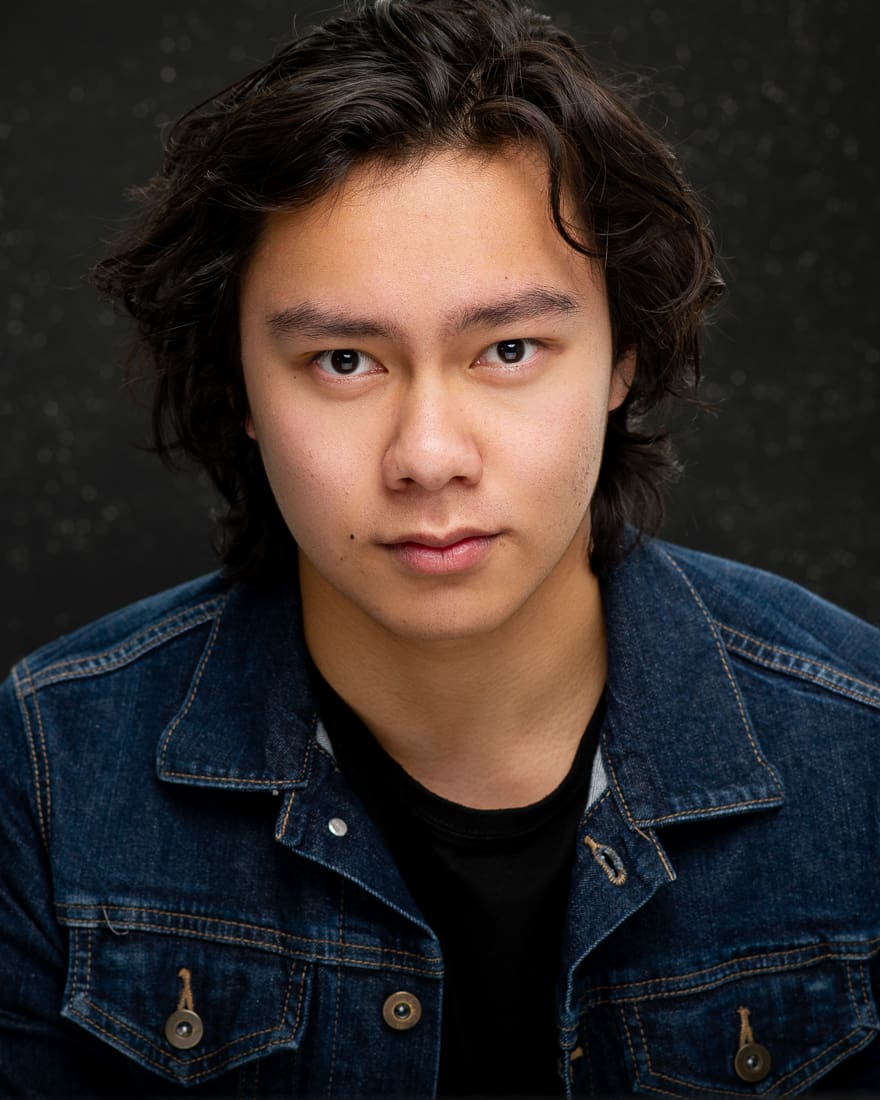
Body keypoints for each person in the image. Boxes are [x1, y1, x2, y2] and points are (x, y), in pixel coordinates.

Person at [1, 0, 877, 1094]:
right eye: (342, 361)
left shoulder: (860, 748)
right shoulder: (49, 768)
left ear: (623, 358)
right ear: (241, 390)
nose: (426, 456)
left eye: (508, 347)